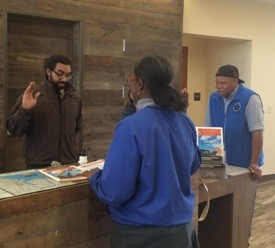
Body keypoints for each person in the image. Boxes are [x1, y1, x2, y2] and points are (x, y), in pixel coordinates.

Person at [87, 55, 201, 248]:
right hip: (181, 230)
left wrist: (95, 177)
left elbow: (115, 191)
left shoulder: (131, 126)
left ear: (139, 84)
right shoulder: (184, 120)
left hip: (142, 234)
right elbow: (193, 164)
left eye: (131, 81)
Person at [6, 54, 83, 169]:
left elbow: (76, 128)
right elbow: (13, 130)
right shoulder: (33, 95)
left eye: (68, 75)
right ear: (48, 71)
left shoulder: (75, 97)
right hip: (39, 164)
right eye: (60, 74)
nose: (64, 79)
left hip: (69, 164)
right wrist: (24, 110)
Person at [205, 64, 264, 180]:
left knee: (242, 197)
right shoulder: (213, 98)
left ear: (235, 82)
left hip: (244, 164)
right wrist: (209, 162)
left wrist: (254, 163)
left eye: (223, 83)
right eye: (217, 82)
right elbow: (209, 131)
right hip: (218, 162)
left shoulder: (251, 98)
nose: (219, 86)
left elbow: (257, 133)